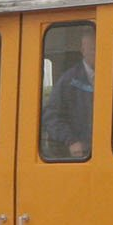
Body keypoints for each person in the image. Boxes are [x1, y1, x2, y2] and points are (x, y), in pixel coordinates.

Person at [40, 26, 95, 159]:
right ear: (82, 51)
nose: (97, 53)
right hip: (79, 155)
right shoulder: (68, 81)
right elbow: (51, 117)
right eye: (93, 49)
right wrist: (71, 141)